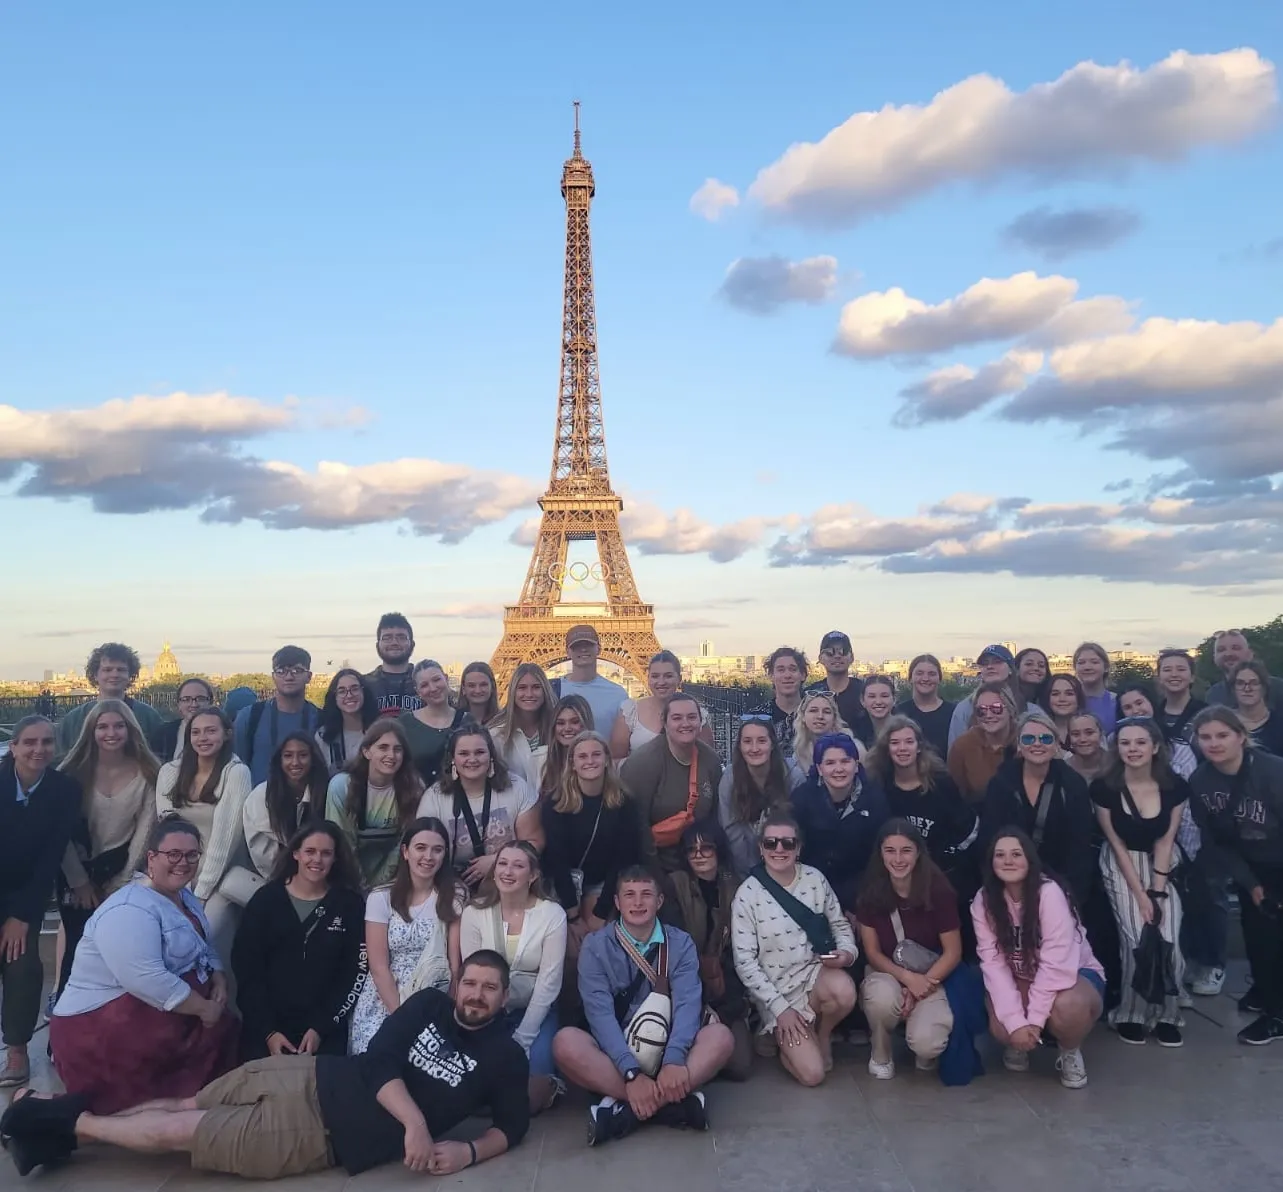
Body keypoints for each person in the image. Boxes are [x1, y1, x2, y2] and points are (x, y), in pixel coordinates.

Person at [5, 953, 530, 1179]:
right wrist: (415, 1123)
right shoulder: (429, 1005)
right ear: (457, 983)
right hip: (309, 1073)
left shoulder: (504, 1057)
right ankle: (54, 1129)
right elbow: (379, 1061)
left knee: (178, 1131)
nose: (476, 995)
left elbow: (512, 1125)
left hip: (314, 1132)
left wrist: (467, 1150)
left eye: (489, 988)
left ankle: (48, 1122)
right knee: (187, 1102)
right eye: (470, 982)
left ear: (504, 997)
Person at [49, 818, 238, 1114]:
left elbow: (204, 943)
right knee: (147, 1109)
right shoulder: (128, 908)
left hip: (159, 1020)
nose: (183, 862)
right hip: (102, 1036)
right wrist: (204, 1009)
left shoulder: (185, 896)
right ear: (152, 858)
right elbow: (146, 979)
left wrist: (218, 976)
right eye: (173, 854)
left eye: (191, 855)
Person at [553, 868, 735, 1146]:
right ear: (617, 903)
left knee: (721, 1038)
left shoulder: (680, 943)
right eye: (630, 895)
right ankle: (668, 1103)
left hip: (669, 1047)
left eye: (646, 895)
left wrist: (675, 1058)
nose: (638, 903)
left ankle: (627, 1111)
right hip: (617, 1053)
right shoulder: (595, 946)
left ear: (659, 902)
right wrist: (630, 1072)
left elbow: (688, 1004)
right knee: (565, 1043)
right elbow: (599, 1014)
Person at [730, 812, 858, 1085]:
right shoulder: (747, 894)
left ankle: (821, 1034)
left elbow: (840, 924)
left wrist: (846, 953)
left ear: (798, 848)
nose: (779, 849)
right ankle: (781, 1035)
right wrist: (780, 1009)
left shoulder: (815, 879)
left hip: (814, 977)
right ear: (761, 848)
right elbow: (745, 962)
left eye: (787, 843)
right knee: (813, 1075)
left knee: (845, 991)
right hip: (776, 992)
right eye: (771, 843)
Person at [972, 829, 1103, 1088]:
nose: (1008, 861)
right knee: (1001, 1026)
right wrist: (1015, 1023)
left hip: (1073, 975)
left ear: (1030, 860)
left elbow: (1056, 965)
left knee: (1068, 1007)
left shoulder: (1049, 893)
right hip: (1021, 976)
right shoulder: (984, 900)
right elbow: (994, 963)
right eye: (1000, 855)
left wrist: (1032, 1021)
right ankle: (1020, 1043)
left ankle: (1069, 1051)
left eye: (1016, 854)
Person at [1089, 718, 1188, 1046]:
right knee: (1135, 937)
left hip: (1161, 863)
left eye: (1140, 742)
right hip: (1122, 863)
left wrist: (1157, 892)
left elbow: (1166, 839)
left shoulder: (1174, 786)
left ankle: (1168, 1014)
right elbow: (1115, 842)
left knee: (1168, 938)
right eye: (1126, 743)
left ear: (1155, 747)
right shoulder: (1104, 787)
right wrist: (1140, 895)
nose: (1132, 749)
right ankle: (1130, 1013)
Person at [1189, 707, 1283, 1044]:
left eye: (1222, 735)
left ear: (1241, 737)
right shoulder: (1200, 781)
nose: (1214, 743)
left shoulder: (1272, 772)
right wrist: (1252, 884)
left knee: (1272, 937)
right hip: (1250, 865)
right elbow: (1216, 841)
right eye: (1206, 737)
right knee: (1257, 935)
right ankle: (1267, 992)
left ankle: (1276, 1015)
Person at [232, 822, 365, 1060]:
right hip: (266, 1030)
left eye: (326, 853)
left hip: (325, 1032)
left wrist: (321, 1028)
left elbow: (354, 973)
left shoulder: (349, 905)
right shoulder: (265, 901)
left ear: (336, 859)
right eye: (310, 852)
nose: (317, 860)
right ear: (295, 853)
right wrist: (268, 1031)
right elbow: (247, 971)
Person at [55, 700, 161, 993]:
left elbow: (145, 830)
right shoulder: (72, 773)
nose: (110, 733)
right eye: (102, 726)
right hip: (75, 877)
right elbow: (61, 834)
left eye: (118, 725)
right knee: (76, 956)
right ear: (91, 731)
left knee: (118, 959)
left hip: (122, 875)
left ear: (130, 729)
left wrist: (121, 883)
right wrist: (80, 883)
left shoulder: (149, 773)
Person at [0, 716, 80, 1088]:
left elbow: (50, 856)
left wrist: (21, 915)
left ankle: (17, 1048)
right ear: (13, 746)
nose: (38, 749)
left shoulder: (64, 790)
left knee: (22, 964)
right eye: (29, 741)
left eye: (47, 742)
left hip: (25, 891)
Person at [460, 841, 566, 1113]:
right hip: (487, 1012)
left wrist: (525, 1036)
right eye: (503, 864)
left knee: (528, 1095)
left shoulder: (552, 914)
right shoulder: (474, 913)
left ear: (532, 876)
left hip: (534, 1011)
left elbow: (549, 982)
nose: (508, 872)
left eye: (518, 866)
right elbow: (473, 976)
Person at [856, 820, 963, 1079]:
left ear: (918, 853)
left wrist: (919, 987)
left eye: (906, 850)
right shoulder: (869, 892)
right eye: (890, 850)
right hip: (887, 972)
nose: (898, 858)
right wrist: (906, 979)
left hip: (930, 974)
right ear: (880, 854)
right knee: (881, 997)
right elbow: (872, 952)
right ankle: (880, 1049)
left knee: (928, 1043)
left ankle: (922, 1049)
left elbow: (953, 951)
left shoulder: (938, 890)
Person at [349, 818, 464, 1054]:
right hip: (386, 996)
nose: (428, 857)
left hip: (433, 993)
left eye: (437, 850)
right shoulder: (380, 897)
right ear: (405, 851)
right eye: (420, 848)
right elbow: (379, 966)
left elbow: (454, 965)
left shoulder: (454, 894)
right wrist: (402, 1018)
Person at [155, 709, 257, 947]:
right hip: (179, 871)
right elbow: (169, 829)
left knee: (204, 935)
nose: (203, 738)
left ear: (226, 734)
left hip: (221, 876)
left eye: (211, 731)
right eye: (196, 732)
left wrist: (198, 895)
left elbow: (225, 839)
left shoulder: (236, 772)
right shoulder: (170, 771)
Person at [978, 711, 1096, 907]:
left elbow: (1080, 848)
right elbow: (989, 840)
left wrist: (1071, 898)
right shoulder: (1001, 783)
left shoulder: (1073, 785)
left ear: (1057, 744)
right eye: (1029, 738)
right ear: (1019, 744)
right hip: (1009, 882)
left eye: (1046, 738)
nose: (1037, 743)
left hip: (1059, 885)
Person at [667, 820, 752, 1079]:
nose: (699, 855)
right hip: (683, 987)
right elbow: (673, 951)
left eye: (707, 848)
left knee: (740, 1067)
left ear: (720, 850)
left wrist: (725, 1008)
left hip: (725, 990)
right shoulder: (674, 885)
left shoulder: (736, 886)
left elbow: (741, 954)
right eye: (691, 850)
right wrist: (702, 1004)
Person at [542, 731, 642, 942]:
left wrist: (601, 912)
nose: (590, 761)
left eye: (596, 755)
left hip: (604, 883)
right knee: (570, 946)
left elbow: (623, 859)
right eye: (582, 756)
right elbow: (557, 859)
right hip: (563, 882)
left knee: (597, 940)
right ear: (573, 763)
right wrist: (572, 914)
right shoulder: (556, 803)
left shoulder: (625, 803)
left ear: (606, 759)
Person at [418, 725, 542, 891]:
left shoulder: (517, 787)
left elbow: (535, 842)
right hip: (452, 884)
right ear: (453, 759)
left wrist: (497, 860)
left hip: (509, 878)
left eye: (479, 752)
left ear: (491, 755)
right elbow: (422, 849)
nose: (472, 759)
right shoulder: (434, 797)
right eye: (464, 754)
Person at [866, 716, 977, 893]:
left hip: (939, 874)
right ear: (887, 748)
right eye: (895, 742)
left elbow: (965, 831)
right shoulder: (877, 785)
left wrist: (944, 863)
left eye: (909, 741)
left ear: (919, 746)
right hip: (891, 875)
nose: (902, 748)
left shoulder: (941, 783)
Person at [622, 693, 722, 876]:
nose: (685, 723)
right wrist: (657, 878)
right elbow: (636, 826)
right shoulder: (642, 763)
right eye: (677, 718)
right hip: (653, 865)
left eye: (692, 717)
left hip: (698, 864)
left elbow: (714, 818)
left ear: (700, 722)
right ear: (665, 722)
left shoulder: (711, 760)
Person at [791, 732, 889, 913]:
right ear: (819, 768)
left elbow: (878, 857)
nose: (839, 768)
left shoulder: (875, 799)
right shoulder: (801, 799)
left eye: (845, 761)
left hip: (862, 894)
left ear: (856, 765)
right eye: (830, 763)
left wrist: (858, 905)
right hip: (811, 892)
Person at [325, 721, 423, 888]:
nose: (391, 755)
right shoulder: (342, 786)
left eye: (397, 749)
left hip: (393, 879)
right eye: (383, 747)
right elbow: (343, 843)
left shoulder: (414, 788)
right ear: (366, 751)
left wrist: (379, 887)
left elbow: (404, 844)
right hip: (347, 875)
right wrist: (361, 887)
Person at [718, 717, 805, 877]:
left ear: (772, 744)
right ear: (740, 746)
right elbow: (731, 831)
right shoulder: (730, 778)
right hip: (745, 866)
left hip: (788, 860)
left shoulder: (794, 777)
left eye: (762, 741)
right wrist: (751, 873)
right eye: (747, 741)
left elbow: (800, 827)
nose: (754, 748)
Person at [243, 733, 329, 878]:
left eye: (303, 755)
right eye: (288, 756)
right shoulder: (261, 796)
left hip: (321, 874)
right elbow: (263, 852)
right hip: (273, 876)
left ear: (313, 759)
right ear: (280, 760)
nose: (295, 762)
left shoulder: (326, 791)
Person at [233, 646, 322, 786]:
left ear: (309, 676)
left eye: (297, 670)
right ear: (273, 676)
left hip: (307, 803)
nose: (289, 677)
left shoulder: (320, 719)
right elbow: (237, 767)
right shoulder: (250, 717)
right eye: (281, 671)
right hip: (258, 803)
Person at [56, 643, 165, 757]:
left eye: (121, 670)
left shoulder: (149, 717)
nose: (115, 674)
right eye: (107, 670)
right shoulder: (73, 720)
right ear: (95, 675)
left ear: (130, 676)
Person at [610, 650, 713, 760]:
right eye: (655, 676)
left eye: (668, 676)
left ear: (679, 679)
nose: (661, 682)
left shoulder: (698, 715)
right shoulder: (630, 711)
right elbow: (616, 760)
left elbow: (707, 761)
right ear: (648, 678)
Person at [397, 659, 466, 788]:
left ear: (446, 678)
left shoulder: (467, 721)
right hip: (416, 799)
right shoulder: (404, 723)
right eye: (424, 685)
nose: (433, 688)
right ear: (417, 691)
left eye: (436, 680)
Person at [948, 645, 1030, 752]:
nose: (990, 666)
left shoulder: (1029, 708)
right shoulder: (964, 709)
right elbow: (954, 752)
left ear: (1010, 669)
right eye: (985, 663)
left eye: (997, 662)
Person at [489, 663, 556, 791]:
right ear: (513, 691)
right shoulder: (496, 733)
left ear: (545, 691)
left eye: (536, 687)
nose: (529, 694)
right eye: (522, 688)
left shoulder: (558, 729)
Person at [947, 682, 1017, 803]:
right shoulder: (963, 746)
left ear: (1010, 709)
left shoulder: (1027, 740)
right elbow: (955, 795)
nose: (988, 715)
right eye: (981, 710)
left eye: (996, 708)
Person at [558, 624, 629, 734]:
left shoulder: (618, 694)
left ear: (598, 649)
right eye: (576, 646)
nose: (583, 649)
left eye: (588, 645)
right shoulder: (553, 690)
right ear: (568, 652)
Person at [1115, 682, 1197, 777]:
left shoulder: (1178, 746)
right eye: (1127, 707)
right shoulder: (1114, 742)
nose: (1135, 710)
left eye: (1139, 703)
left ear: (1151, 703)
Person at [746, 647, 809, 757]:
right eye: (781, 670)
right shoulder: (755, 717)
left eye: (793, 669)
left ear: (803, 675)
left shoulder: (816, 715)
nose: (787, 675)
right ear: (771, 675)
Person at [789, 691, 858, 786]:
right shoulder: (798, 753)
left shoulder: (854, 747)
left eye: (826, 712)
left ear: (834, 718)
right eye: (813, 710)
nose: (820, 716)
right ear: (803, 716)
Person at [316, 668, 378, 774]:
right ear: (334, 697)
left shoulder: (380, 731)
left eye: (354, 689)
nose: (349, 695)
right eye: (342, 691)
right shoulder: (323, 736)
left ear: (364, 692)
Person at [894, 653, 955, 759]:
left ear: (939, 679)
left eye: (932, 674)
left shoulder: (953, 712)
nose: (925, 678)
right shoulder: (898, 712)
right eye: (919, 673)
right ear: (910, 677)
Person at [364, 612, 422, 718]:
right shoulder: (364, 685)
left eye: (401, 637)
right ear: (378, 645)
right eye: (387, 638)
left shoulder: (426, 682)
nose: (394, 642)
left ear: (412, 644)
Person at [1206, 630, 1283, 708]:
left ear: (1250, 654)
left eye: (1236, 648)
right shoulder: (1213, 694)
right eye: (1221, 649)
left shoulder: (1278, 689)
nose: (1228, 653)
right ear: (1214, 657)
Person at [538, 695, 595, 801]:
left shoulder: (598, 759)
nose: (567, 728)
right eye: (560, 723)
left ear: (586, 723)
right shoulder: (538, 761)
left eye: (574, 722)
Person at [804, 630, 864, 728]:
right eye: (830, 653)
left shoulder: (864, 692)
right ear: (820, 658)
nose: (837, 656)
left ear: (852, 657)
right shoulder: (811, 694)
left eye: (843, 651)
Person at [149, 678, 216, 762]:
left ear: (211, 702)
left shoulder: (221, 734)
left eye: (200, 699)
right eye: (186, 699)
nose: (194, 704)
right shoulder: (163, 735)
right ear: (178, 704)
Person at [1228, 660, 1283, 756]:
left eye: (1254, 683)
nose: (1247, 689)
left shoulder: (1280, 723)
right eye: (1240, 683)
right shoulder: (1225, 723)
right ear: (1233, 688)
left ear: (1264, 687)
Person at [1156, 649, 1205, 744]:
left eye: (1181, 669)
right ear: (1159, 678)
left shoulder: (1207, 713)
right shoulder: (1153, 715)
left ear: (1192, 677)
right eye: (1167, 670)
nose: (1174, 674)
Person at [1073, 642, 1117, 737]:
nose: (1087, 667)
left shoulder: (1118, 702)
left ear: (1106, 667)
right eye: (1081, 662)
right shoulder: (1067, 703)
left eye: (1094, 662)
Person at [1042, 674, 1085, 749]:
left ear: (1078, 698)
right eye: (1055, 694)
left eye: (1069, 694)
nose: (1062, 699)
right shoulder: (1039, 731)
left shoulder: (1091, 728)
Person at [1066, 711, 1110, 782]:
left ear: (1101, 734)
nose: (1083, 739)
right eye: (1076, 734)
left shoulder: (1117, 765)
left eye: (1089, 733)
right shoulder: (1063, 769)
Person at [854, 674, 896, 749]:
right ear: (862, 701)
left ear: (894, 699)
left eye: (884, 696)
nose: (878, 702)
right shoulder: (854, 732)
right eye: (872, 696)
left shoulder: (907, 729)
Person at [460, 661, 501, 726]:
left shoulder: (504, 723)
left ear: (492, 687)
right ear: (463, 689)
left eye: (483, 685)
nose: (477, 690)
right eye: (471, 685)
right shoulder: (452, 722)